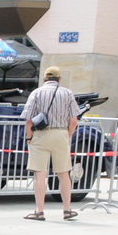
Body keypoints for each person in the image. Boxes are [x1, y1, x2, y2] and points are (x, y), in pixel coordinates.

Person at [23, 65, 81, 220]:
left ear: (44, 78)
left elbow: (28, 119)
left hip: (40, 135)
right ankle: (67, 209)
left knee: (40, 175)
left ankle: (39, 211)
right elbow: (74, 121)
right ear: (59, 79)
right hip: (61, 133)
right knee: (64, 174)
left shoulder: (37, 92)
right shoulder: (67, 93)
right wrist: (66, 136)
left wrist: (30, 137)